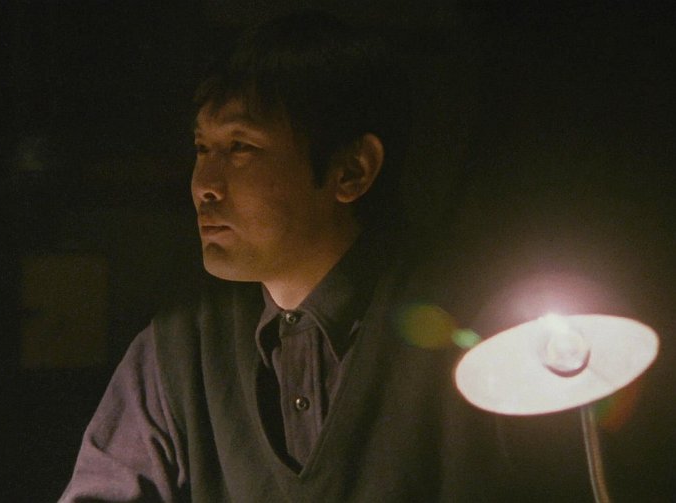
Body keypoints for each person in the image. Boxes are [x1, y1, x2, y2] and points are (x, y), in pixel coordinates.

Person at [59, 10, 565, 502]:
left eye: (241, 147)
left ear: (352, 171)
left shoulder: (474, 335)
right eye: (203, 149)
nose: (204, 186)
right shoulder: (182, 348)